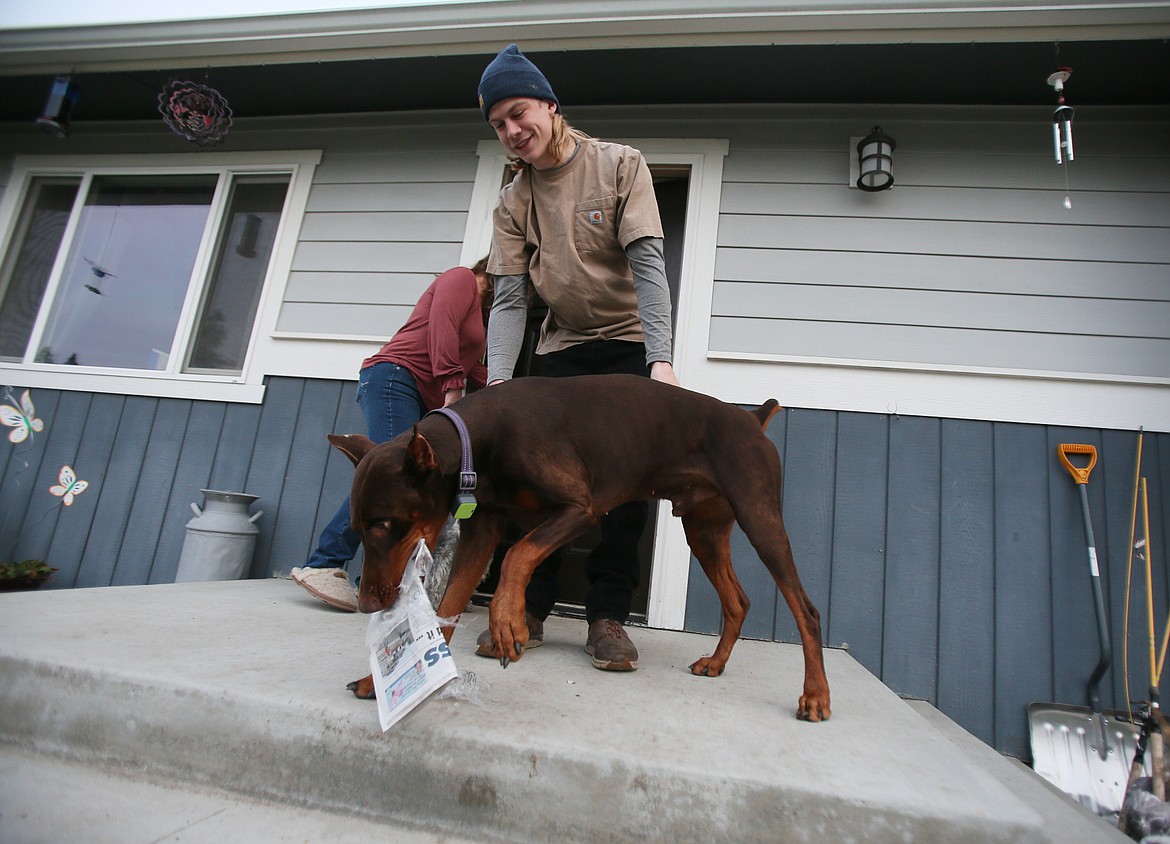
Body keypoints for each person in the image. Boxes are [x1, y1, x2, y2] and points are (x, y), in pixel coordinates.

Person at [475, 44, 680, 672]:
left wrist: (661, 362)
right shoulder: (513, 202)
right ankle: (528, 608)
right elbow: (509, 300)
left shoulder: (621, 165)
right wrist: (498, 385)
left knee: (625, 488)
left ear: (549, 106)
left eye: (518, 113)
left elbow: (647, 266)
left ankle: (607, 617)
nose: (512, 131)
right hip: (561, 351)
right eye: (499, 125)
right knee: (533, 483)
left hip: (626, 347)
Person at [290, 259, 492, 611]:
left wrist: (504, 390)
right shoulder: (461, 279)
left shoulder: (480, 313)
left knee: (406, 489)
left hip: (410, 388)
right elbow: (440, 327)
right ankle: (323, 564)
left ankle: (379, 583)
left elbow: (472, 364)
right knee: (389, 482)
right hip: (395, 377)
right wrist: (452, 386)